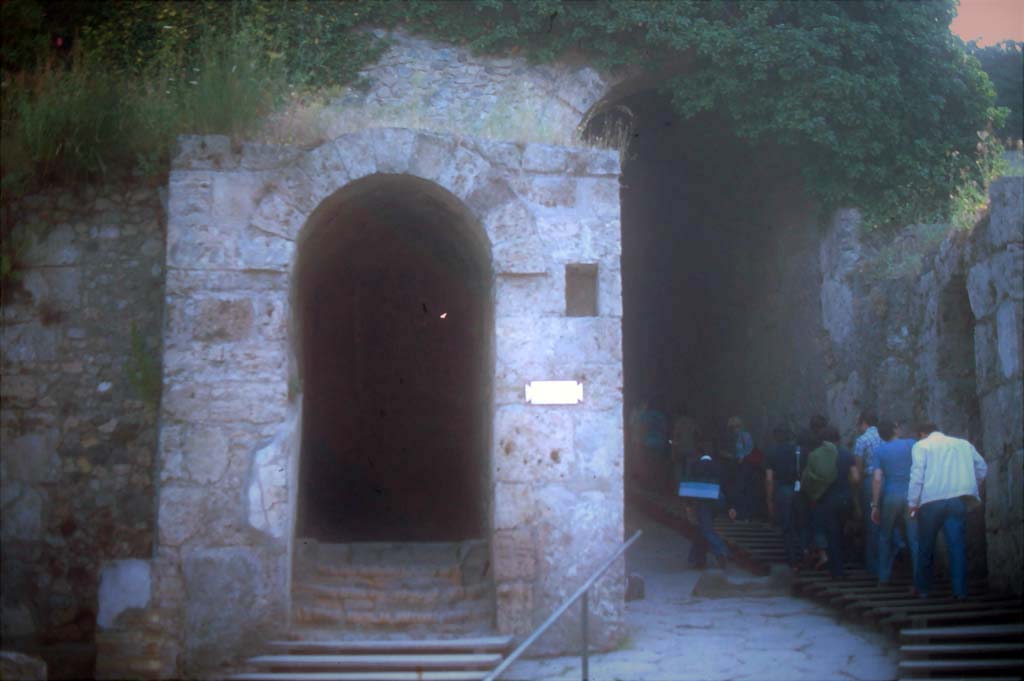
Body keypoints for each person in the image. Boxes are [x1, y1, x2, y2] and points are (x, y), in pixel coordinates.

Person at [908, 423, 987, 599]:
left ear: (923, 433)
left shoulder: (921, 445)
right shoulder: (963, 444)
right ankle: (960, 591)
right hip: (956, 500)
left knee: (926, 546)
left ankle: (923, 590)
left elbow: (917, 475)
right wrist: (973, 484)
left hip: (931, 502)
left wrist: (912, 502)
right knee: (957, 546)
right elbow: (982, 467)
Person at [871, 420, 918, 587]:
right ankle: (918, 580)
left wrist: (875, 505)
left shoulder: (879, 451)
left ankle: (883, 577)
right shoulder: (911, 444)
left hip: (890, 497)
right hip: (910, 498)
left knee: (885, 536)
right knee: (914, 538)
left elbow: (877, 479)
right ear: (895, 429)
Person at [683, 440, 733, 569]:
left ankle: (721, 550)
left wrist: (688, 506)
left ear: (699, 453)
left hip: (703, 500)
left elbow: (688, 485)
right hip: (718, 501)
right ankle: (697, 560)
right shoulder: (719, 465)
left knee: (705, 529)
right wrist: (731, 507)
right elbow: (727, 487)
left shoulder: (694, 465)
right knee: (702, 529)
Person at [817, 426, 857, 578]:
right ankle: (847, 563)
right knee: (844, 532)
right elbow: (855, 477)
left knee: (832, 534)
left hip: (828, 499)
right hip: (845, 498)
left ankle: (836, 570)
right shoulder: (847, 454)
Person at [765, 426, 804, 570]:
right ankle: (804, 555)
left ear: (775, 437)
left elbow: (769, 479)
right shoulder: (798, 451)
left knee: (786, 526)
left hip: (782, 490)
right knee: (800, 524)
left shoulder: (771, 452)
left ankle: (793, 561)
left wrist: (769, 499)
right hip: (798, 490)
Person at [853, 409, 882, 575]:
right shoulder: (886, 436)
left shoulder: (862, 440)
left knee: (871, 522)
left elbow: (858, 469)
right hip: (888, 481)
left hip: (870, 480)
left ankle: (872, 566)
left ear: (864, 422)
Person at [724, 416, 756, 520]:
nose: (734, 429)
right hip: (737, 465)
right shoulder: (735, 437)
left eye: (735, 427)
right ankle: (737, 512)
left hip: (745, 465)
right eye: (732, 428)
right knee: (737, 488)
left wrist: (742, 456)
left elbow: (749, 448)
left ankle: (743, 513)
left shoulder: (745, 435)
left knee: (742, 488)